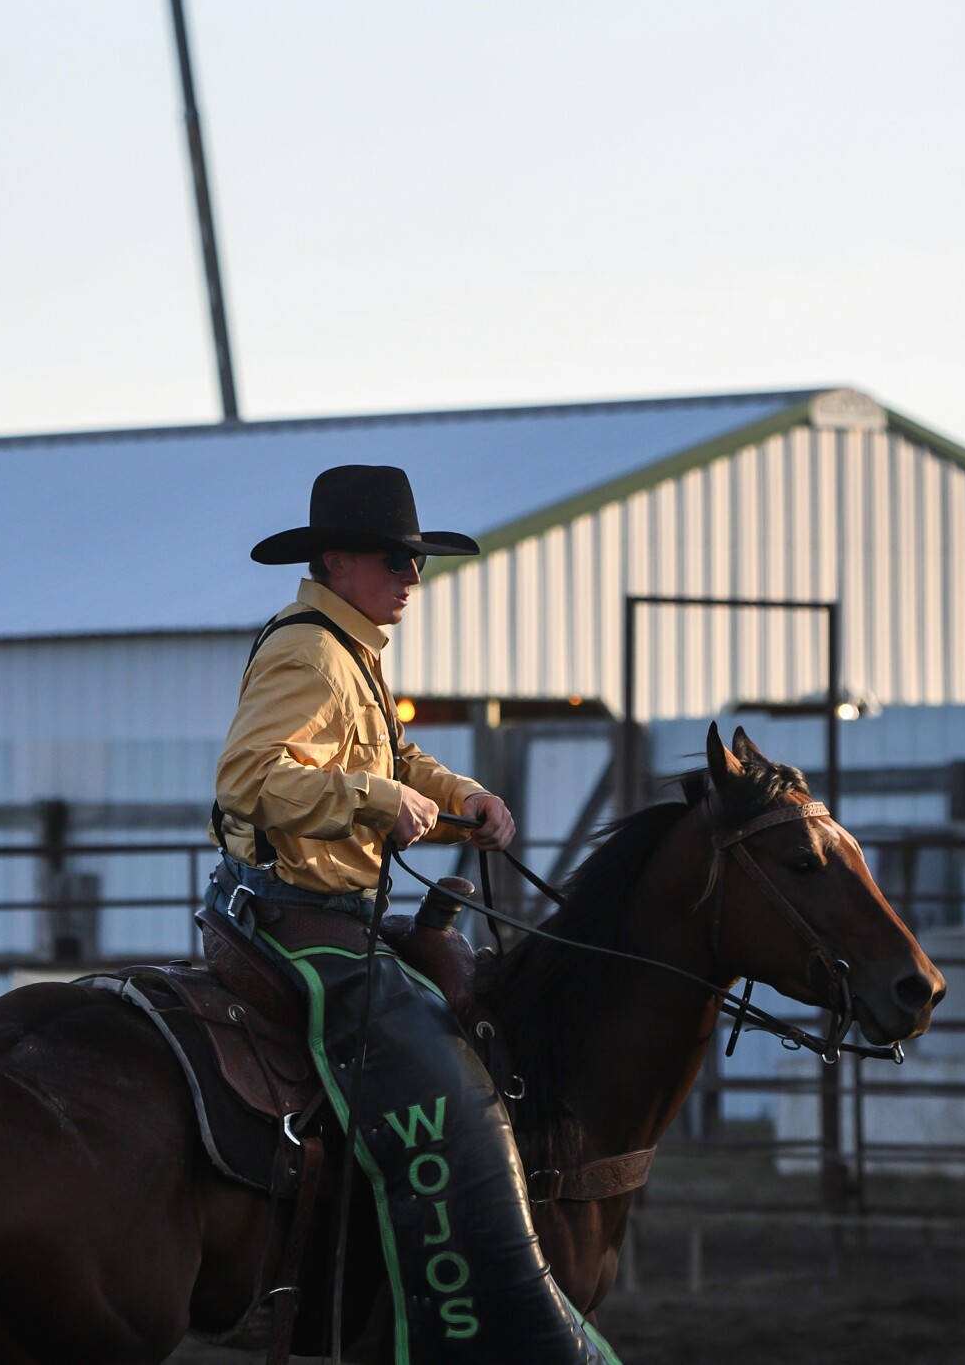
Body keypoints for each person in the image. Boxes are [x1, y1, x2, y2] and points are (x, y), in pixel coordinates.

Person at [206, 464, 618, 1365]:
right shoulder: (310, 651)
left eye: (417, 559)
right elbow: (246, 778)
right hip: (298, 918)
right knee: (450, 1086)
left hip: (327, 909)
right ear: (337, 559)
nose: (413, 576)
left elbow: (387, 749)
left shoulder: (348, 648)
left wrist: (456, 790)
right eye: (397, 558)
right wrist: (372, 799)